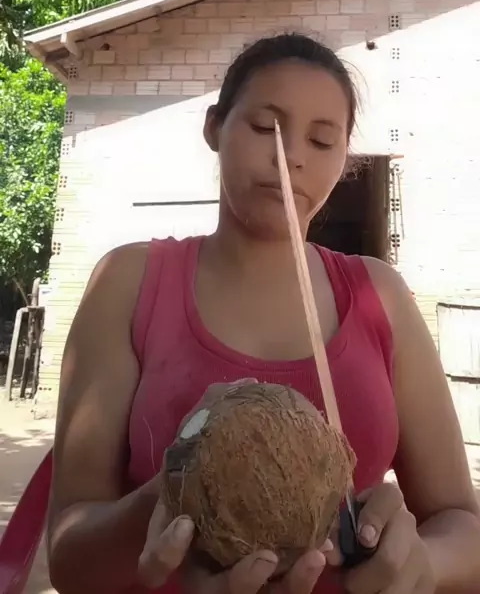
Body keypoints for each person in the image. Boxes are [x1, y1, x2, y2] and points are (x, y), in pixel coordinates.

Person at [46, 33, 480, 594]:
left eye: (322, 141)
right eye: (263, 127)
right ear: (213, 128)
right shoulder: (128, 282)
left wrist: (422, 562)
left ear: (344, 159)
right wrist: (175, 493)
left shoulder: (380, 296)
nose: (291, 155)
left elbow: (463, 526)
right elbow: (68, 557)